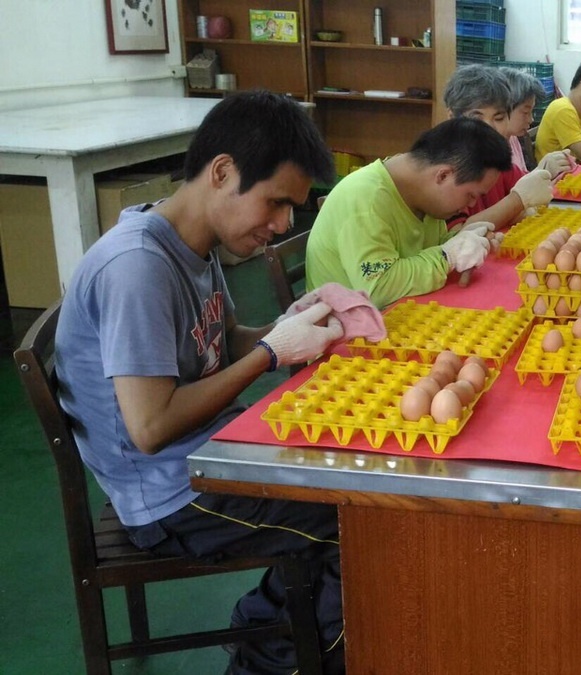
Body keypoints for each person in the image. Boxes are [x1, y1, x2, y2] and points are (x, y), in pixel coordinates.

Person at [55, 91, 349, 675]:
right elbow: (150, 427)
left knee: (346, 483)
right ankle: (271, 662)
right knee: (356, 523)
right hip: (169, 495)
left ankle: (264, 629)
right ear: (222, 172)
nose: (283, 224)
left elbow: (220, 339)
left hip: (206, 457)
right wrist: (269, 355)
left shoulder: (191, 240)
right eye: (276, 203)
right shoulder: (137, 266)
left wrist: (283, 327)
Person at [304, 117, 512, 308]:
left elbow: (429, 249)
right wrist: (448, 256)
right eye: (471, 195)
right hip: (347, 330)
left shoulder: (425, 198)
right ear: (443, 176)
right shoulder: (366, 198)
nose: (470, 205)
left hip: (402, 313)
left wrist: (464, 240)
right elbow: (379, 288)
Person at [442, 64, 565, 231]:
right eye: (476, 118)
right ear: (451, 117)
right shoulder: (444, 167)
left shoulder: (498, 161)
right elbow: (457, 235)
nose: (488, 129)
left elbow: (528, 190)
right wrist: (517, 200)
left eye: (498, 118)